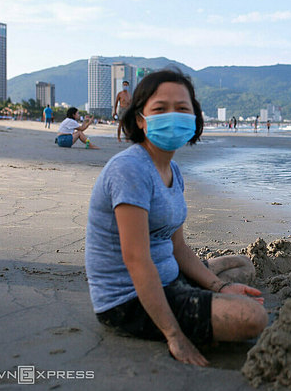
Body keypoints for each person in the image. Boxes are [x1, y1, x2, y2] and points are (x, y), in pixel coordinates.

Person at [85, 69, 267, 367]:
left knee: (241, 266)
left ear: (194, 118)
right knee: (253, 317)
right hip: (128, 300)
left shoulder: (173, 172)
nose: (173, 116)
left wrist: (219, 288)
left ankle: (203, 299)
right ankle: (178, 319)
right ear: (141, 120)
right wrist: (175, 336)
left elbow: (178, 247)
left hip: (169, 276)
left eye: (182, 109)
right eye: (160, 109)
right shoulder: (129, 170)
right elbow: (136, 260)